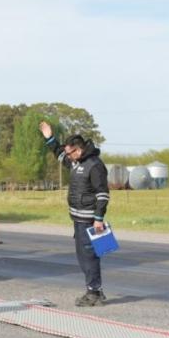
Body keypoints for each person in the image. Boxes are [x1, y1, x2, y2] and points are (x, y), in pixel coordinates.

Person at [39, 121, 110, 307]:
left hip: (90, 220)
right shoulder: (75, 162)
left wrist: (98, 219)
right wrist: (49, 138)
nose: (67, 156)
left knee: (89, 255)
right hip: (78, 219)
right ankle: (95, 290)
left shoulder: (94, 165)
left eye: (70, 153)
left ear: (78, 150)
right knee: (83, 255)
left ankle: (94, 293)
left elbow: (103, 195)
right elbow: (58, 152)